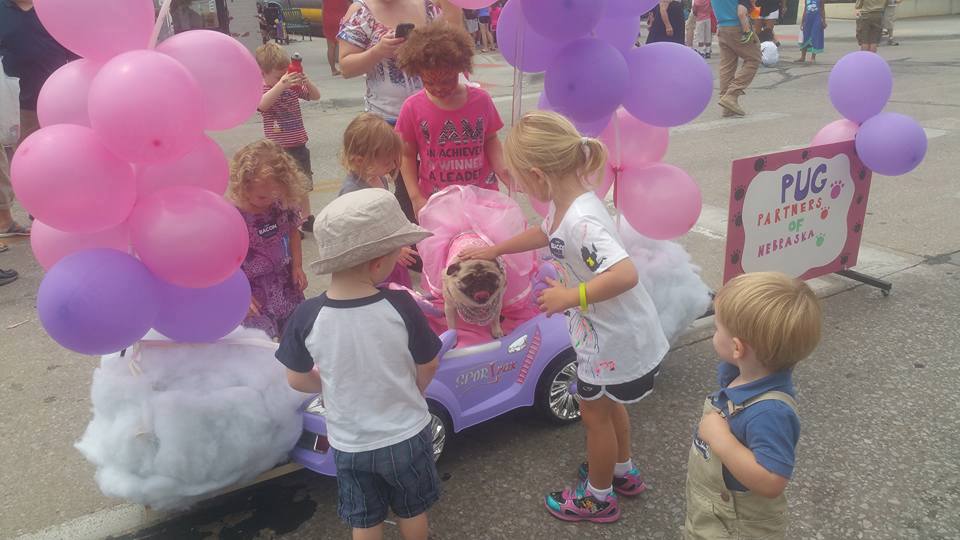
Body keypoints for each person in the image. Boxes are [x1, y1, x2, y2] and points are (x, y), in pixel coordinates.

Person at [460, 111, 670, 523]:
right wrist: (494, 250)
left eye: (518, 177)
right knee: (607, 409)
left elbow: (625, 274)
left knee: (594, 415)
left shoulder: (582, 222)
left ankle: (598, 496)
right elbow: (545, 234)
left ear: (539, 175)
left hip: (611, 339)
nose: (517, 185)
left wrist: (571, 295)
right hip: (610, 333)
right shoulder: (568, 204)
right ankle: (621, 471)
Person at [276, 188, 441, 540]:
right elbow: (428, 363)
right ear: (378, 262)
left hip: (351, 443)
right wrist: (413, 390)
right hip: (406, 434)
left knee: (364, 518)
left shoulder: (308, 315)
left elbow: (295, 378)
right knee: (412, 509)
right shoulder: (400, 306)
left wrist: (329, 383)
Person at [684, 271, 822, 539]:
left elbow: (772, 480)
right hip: (710, 511)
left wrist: (721, 439)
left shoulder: (770, 411)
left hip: (737, 526)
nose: (715, 333)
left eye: (717, 328)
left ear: (737, 348)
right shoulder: (737, 374)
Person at [338, 0, 442, 223]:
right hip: (387, 119)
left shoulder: (427, 6)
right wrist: (378, 51)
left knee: (433, 182)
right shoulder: (361, 11)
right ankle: (409, 247)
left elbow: (449, 49)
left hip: (430, 114)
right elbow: (345, 67)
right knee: (405, 188)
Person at [394, 23, 509, 218]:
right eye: (429, 82)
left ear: (461, 70)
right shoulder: (412, 107)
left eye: (447, 80)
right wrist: (415, 197)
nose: (438, 88)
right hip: (438, 201)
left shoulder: (481, 100)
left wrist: (502, 170)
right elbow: (407, 155)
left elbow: (490, 139)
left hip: (482, 196)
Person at [0, 0, 75, 238]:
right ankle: (36, 211)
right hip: (18, 106)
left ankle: (53, 211)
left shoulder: (51, 9)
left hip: (57, 100)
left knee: (59, 159)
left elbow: (74, 49)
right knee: (28, 164)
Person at [229, 139, 309, 341]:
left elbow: (293, 232)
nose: (270, 200)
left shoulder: (281, 203)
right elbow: (224, 261)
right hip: (252, 290)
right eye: (262, 197)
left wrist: (297, 266)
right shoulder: (234, 215)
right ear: (244, 187)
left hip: (283, 282)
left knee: (297, 332)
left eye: (276, 193)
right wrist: (238, 295)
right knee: (263, 341)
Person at [255, 42, 321, 234]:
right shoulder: (265, 89)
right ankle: (290, 222)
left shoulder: (291, 86)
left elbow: (315, 96)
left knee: (303, 184)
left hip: (299, 143)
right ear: (263, 73)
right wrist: (280, 85)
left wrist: (305, 81)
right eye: (278, 76)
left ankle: (306, 217)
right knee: (283, 187)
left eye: (284, 75)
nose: (283, 79)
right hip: (279, 149)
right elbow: (262, 106)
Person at [713, 0, 761, 117]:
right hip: (737, 26)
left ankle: (727, 105)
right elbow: (741, 12)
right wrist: (747, 31)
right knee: (754, 59)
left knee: (727, 66)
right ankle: (731, 95)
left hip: (722, 27)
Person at [322, 0, 351, 75]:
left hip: (328, 19)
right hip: (342, 18)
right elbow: (349, 5)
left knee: (330, 47)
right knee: (343, 46)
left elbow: (323, 7)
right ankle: (344, 68)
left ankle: (333, 70)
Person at [797, 0, 826, 64]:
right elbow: (805, 10)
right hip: (807, 19)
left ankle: (813, 58)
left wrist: (823, 21)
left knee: (815, 36)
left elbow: (822, 9)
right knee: (805, 37)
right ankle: (802, 57)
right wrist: (802, 22)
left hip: (817, 19)